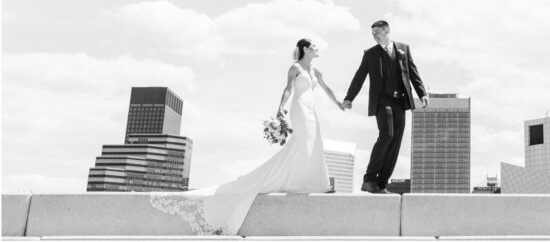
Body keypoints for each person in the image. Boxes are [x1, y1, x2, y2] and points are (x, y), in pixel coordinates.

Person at [150, 38, 345, 235]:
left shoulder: (316, 71)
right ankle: (306, 180)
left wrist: (340, 104)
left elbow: (327, 89)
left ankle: (317, 182)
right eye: (313, 46)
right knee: (303, 142)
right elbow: (287, 89)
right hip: (300, 108)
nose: (317, 48)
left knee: (315, 141)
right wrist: (280, 108)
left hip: (312, 110)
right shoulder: (295, 68)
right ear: (305, 49)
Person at [340, 20, 427, 193]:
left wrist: (422, 93)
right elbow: (359, 77)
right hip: (382, 101)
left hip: (400, 102)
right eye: (372, 34)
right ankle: (369, 179)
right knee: (387, 134)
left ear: (387, 31)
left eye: (377, 33)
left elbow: (413, 72)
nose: (374, 36)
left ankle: (381, 183)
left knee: (395, 142)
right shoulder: (370, 54)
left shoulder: (403, 48)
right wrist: (349, 98)